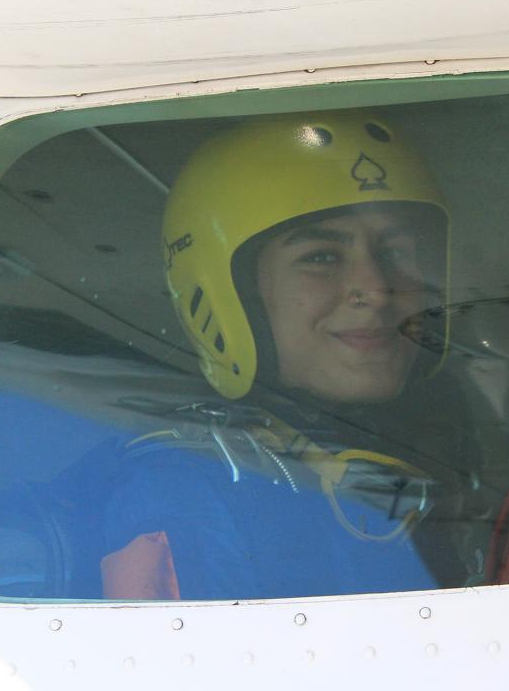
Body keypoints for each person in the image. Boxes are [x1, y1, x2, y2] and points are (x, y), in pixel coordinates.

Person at [99, 112, 480, 600]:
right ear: (232, 294)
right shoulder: (183, 491)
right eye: (321, 256)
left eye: (398, 251)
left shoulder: (452, 441)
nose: (376, 288)